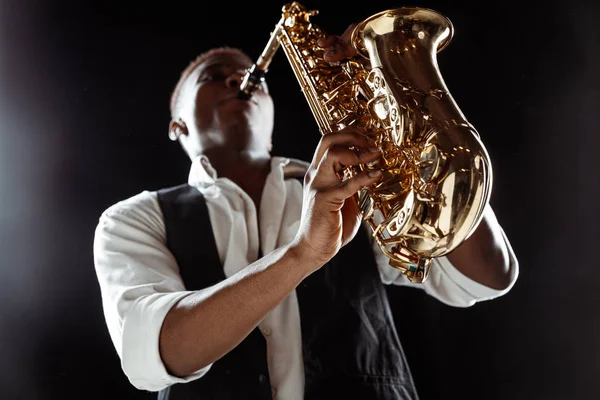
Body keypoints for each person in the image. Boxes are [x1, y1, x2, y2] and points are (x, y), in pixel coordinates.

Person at [93, 23, 519, 400]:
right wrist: (302, 253)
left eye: (247, 76)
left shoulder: (349, 183)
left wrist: (406, 111)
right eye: (213, 77)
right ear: (178, 126)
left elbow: (485, 276)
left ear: (272, 116)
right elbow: (162, 352)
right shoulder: (133, 218)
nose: (239, 79)